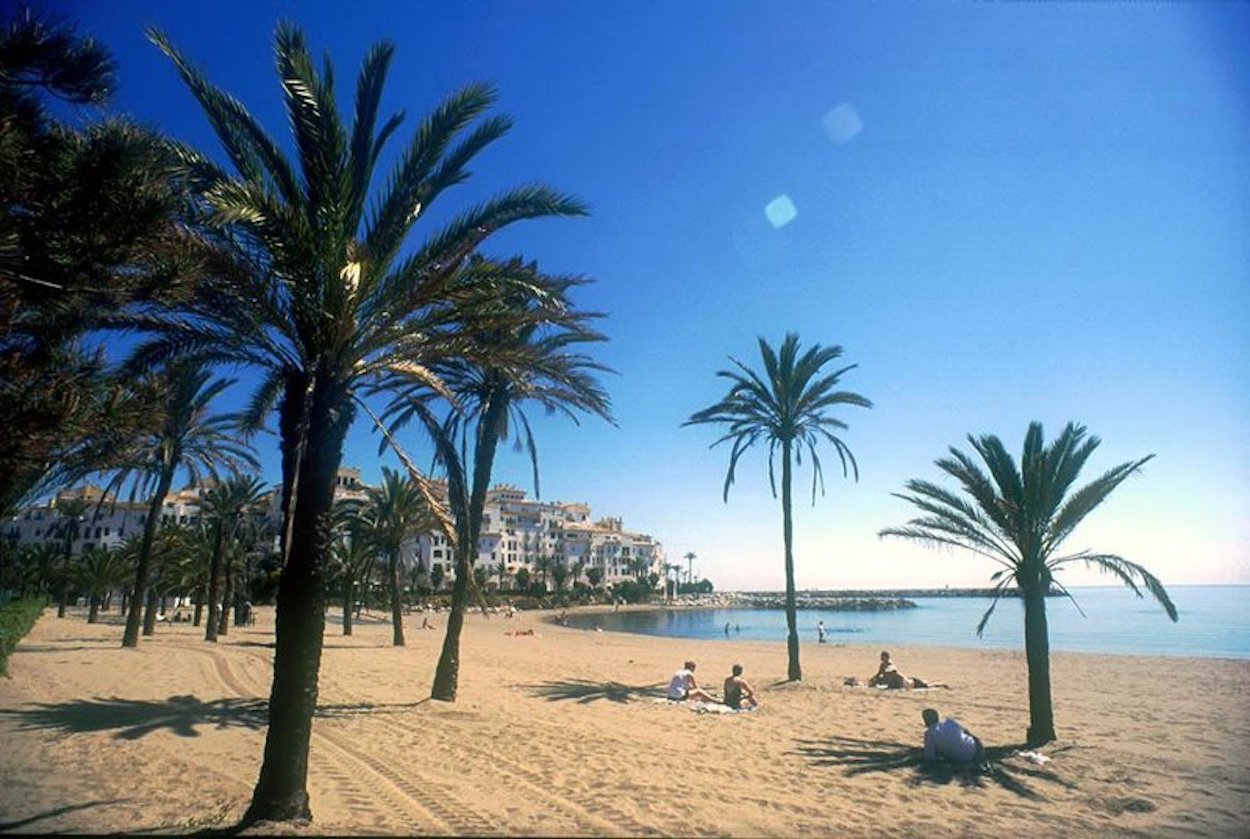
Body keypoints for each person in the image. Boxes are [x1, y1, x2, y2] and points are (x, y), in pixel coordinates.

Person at [922, 708, 989, 771]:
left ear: (925, 721)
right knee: (974, 739)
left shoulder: (929, 734)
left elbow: (930, 758)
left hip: (962, 759)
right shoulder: (950, 722)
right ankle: (981, 760)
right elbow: (967, 732)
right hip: (976, 748)